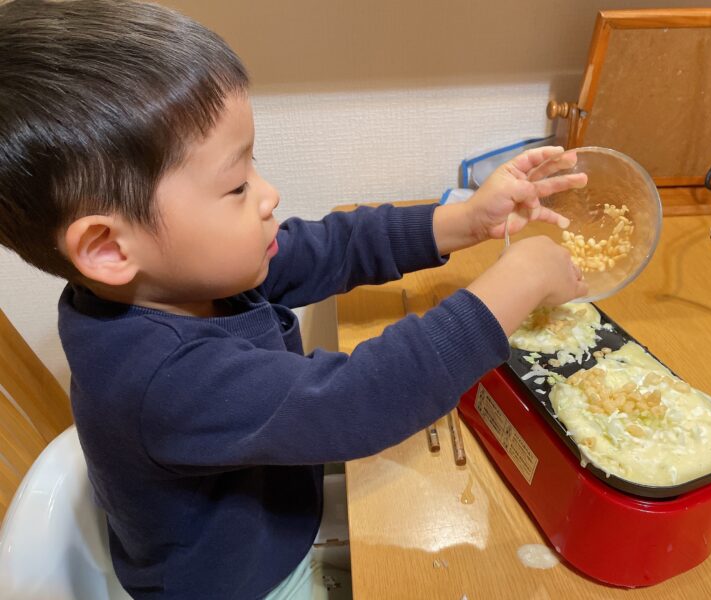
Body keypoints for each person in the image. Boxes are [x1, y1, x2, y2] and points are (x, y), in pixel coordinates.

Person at [0, 0, 587, 598]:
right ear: (107, 247)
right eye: (235, 185)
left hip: (271, 508)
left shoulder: (177, 278)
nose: (268, 193)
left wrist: (462, 222)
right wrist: (518, 282)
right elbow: (360, 400)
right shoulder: (162, 380)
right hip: (241, 584)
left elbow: (328, 247)